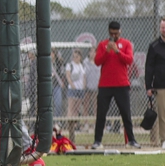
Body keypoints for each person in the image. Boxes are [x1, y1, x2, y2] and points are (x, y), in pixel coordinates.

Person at [91, 20, 138, 149]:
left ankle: (131, 140)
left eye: (116, 33)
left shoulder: (126, 44)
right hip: (105, 85)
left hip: (122, 84)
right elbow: (97, 61)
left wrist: (117, 51)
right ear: (109, 32)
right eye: (112, 33)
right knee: (101, 114)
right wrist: (107, 51)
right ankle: (97, 141)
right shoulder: (102, 45)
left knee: (125, 113)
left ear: (120, 32)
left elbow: (129, 60)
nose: (114, 36)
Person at [144, 17, 165, 148]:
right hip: (160, 85)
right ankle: (164, 139)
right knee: (163, 115)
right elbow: (149, 67)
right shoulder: (154, 46)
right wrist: (149, 86)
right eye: (163, 27)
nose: (164, 29)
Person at [65, 48, 89, 123]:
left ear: (80, 57)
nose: (75, 58)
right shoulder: (70, 65)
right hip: (72, 89)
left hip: (80, 89)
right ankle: (69, 123)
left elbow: (84, 77)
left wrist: (83, 86)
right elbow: (68, 76)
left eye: (77, 56)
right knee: (71, 107)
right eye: (74, 56)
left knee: (76, 108)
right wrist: (72, 86)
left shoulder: (81, 66)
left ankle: (75, 124)